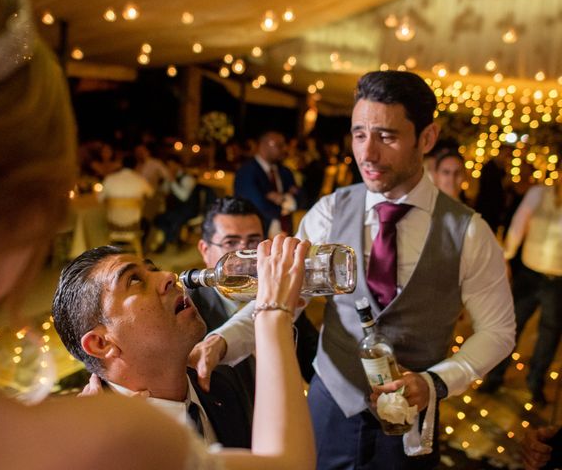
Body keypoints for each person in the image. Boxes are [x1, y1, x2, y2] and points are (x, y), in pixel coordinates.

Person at [0, 0, 315, 469]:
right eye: (134, 279)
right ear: (19, 214)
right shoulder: (106, 436)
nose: (169, 277)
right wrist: (274, 309)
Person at [190, 71, 515, 469]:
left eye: (386, 136)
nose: (367, 153)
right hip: (330, 403)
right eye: (359, 134)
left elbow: (498, 331)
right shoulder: (328, 212)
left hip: (409, 420)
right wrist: (223, 341)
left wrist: (435, 382)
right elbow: (284, 299)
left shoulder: (469, 232)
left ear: (426, 138)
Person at [52, 246, 253, 448]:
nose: (168, 276)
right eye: (134, 280)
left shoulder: (223, 387)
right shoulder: (100, 451)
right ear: (101, 343)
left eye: (154, 269)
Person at [193, 197, 319, 388]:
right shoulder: (192, 314)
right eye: (231, 243)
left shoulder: (283, 293)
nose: (243, 255)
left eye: (253, 241)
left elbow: (313, 362)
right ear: (204, 250)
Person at [479, 176, 562, 403]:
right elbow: (518, 224)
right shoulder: (538, 193)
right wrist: (505, 257)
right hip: (529, 275)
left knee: (549, 334)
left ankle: (535, 381)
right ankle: (494, 377)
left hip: (558, 281)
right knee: (511, 326)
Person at [234, 131, 300, 236]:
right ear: (264, 145)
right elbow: (256, 205)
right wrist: (286, 205)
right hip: (258, 232)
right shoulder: (247, 172)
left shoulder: (285, 172)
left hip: (285, 230)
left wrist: (282, 199)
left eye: (284, 145)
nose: (284, 149)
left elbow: (302, 198)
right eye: (279, 145)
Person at [99, 153, 154, 229]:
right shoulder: (141, 180)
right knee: (148, 223)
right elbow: (151, 194)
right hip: (134, 223)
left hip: (112, 223)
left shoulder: (109, 179)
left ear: (121, 164)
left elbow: (100, 199)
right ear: (136, 166)